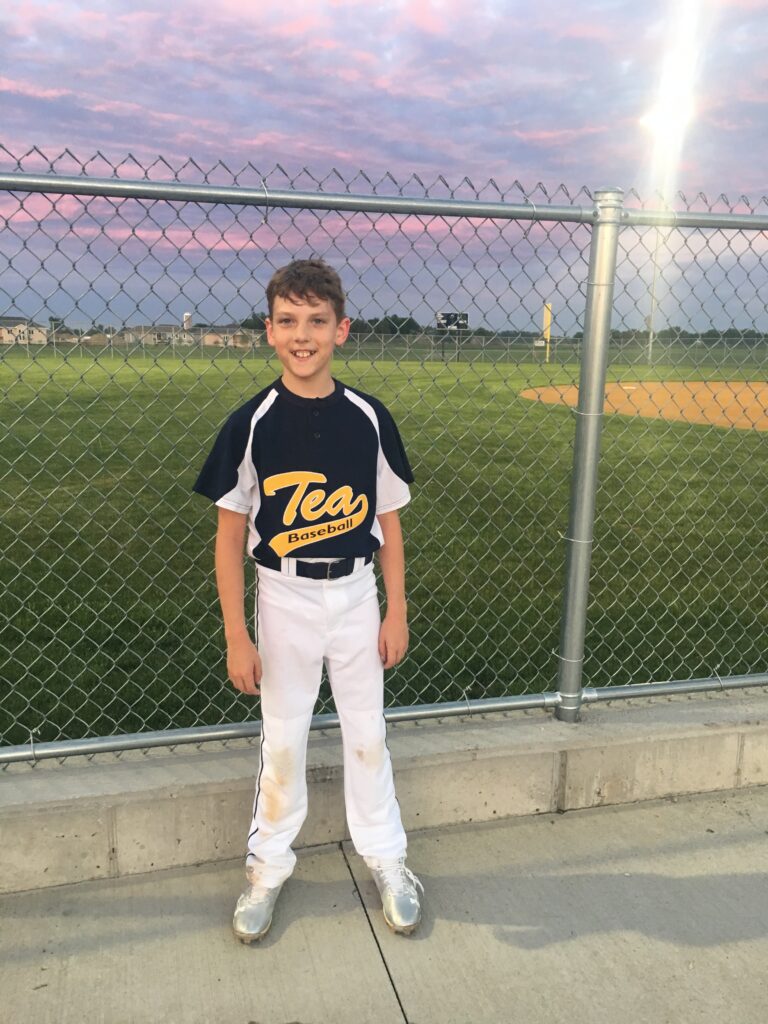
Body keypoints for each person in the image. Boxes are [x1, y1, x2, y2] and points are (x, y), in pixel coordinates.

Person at [193, 258, 423, 943]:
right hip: (284, 596)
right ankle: (267, 868)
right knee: (285, 738)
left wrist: (396, 609)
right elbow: (228, 539)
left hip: (355, 593)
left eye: (317, 322)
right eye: (288, 321)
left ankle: (387, 858)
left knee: (368, 734)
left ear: (341, 330)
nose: (303, 336)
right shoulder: (252, 422)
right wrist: (237, 635)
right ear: (269, 331)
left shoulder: (369, 418)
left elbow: (389, 524)